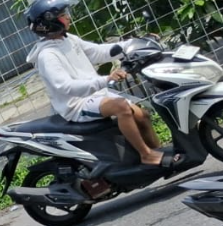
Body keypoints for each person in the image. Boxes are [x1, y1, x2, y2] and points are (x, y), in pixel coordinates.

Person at [25, 0, 182, 169]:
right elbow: (66, 87)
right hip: (76, 104)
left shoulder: (68, 39)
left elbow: (99, 52)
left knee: (142, 115)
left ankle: (157, 153)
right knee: (121, 107)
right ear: (49, 22)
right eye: (63, 15)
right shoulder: (47, 55)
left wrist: (134, 45)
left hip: (95, 95)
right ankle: (147, 155)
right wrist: (105, 80)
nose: (68, 17)